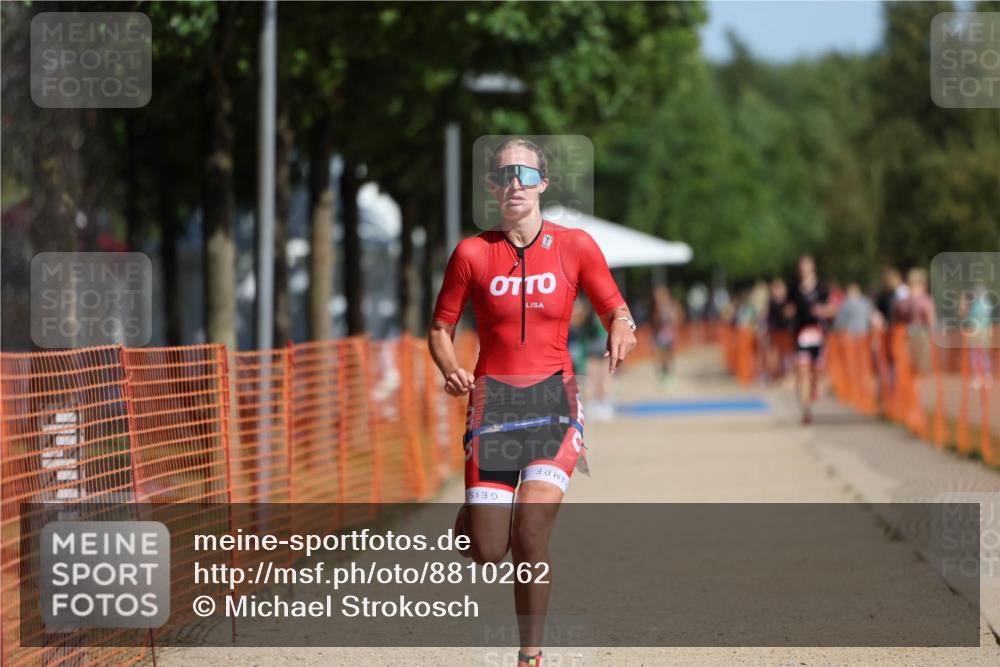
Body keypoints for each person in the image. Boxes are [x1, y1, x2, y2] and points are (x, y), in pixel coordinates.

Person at [428, 137, 636, 667]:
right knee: (487, 549)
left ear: (542, 183)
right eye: (504, 175)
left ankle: (530, 655)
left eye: (525, 173)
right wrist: (450, 368)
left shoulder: (576, 246)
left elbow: (615, 307)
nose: (514, 183)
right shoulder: (472, 253)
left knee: (531, 531)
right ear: (493, 188)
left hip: (553, 402)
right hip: (492, 407)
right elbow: (440, 328)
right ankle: (473, 520)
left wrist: (622, 328)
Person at [785, 255, 837, 425]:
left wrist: (822, 310)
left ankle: (814, 388)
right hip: (801, 336)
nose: (804, 269)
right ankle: (806, 410)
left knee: (815, 373)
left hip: (818, 335)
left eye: (807, 265)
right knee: (802, 372)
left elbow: (833, 309)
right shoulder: (794, 289)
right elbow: (788, 309)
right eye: (801, 266)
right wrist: (788, 312)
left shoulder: (822, 288)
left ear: (813, 267)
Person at [650, 285, 683, 384]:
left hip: (670, 335)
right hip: (659, 335)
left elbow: (678, 318)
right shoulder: (657, 307)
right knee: (660, 354)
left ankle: (668, 373)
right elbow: (654, 321)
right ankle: (663, 373)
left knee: (669, 355)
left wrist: (673, 321)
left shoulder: (673, 305)